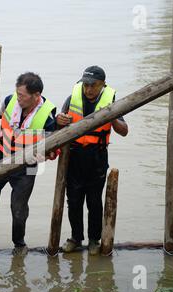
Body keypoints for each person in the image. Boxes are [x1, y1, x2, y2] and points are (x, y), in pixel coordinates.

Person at [0, 72, 57, 253]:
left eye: (22, 95)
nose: (18, 98)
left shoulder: (48, 118)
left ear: (36, 96)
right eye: (17, 93)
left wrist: (46, 154)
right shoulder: (9, 101)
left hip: (26, 166)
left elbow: (53, 149)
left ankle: (19, 244)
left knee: (18, 208)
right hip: (1, 157)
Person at [56, 66, 128, 255]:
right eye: (85, 84)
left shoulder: (111, 101)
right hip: (74, 157)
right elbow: (59, 125)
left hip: (97, 156)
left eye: (93, 85)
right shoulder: (72, 99)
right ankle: (75, 238)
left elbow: (124, 131)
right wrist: (60, 120)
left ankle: (94, 240)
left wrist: (112, 118)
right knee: (74, 200)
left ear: (103, 84)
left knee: (94, 202)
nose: (88, 89)